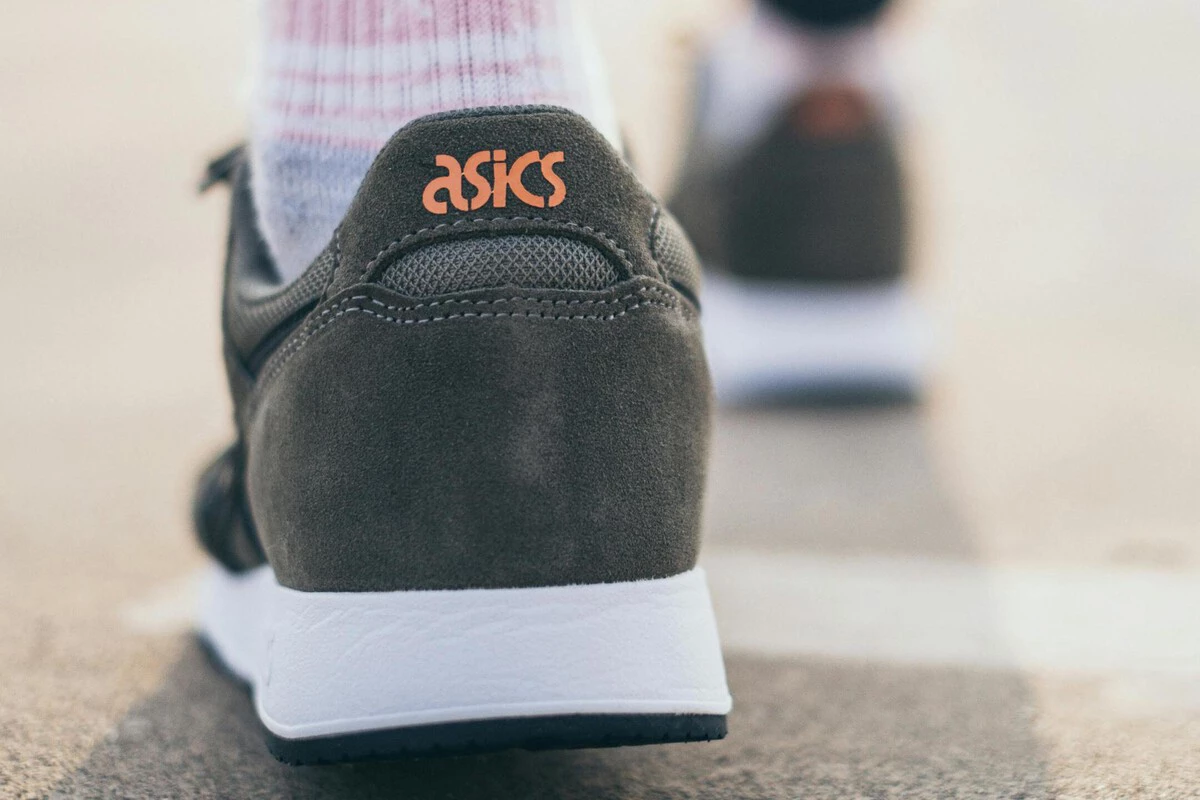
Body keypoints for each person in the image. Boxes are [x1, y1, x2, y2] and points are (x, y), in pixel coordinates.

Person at [193, 0, 907, 764]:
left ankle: (355, 159)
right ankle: (811, 66)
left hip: (355, 397)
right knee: (808, 44)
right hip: (614, 321)